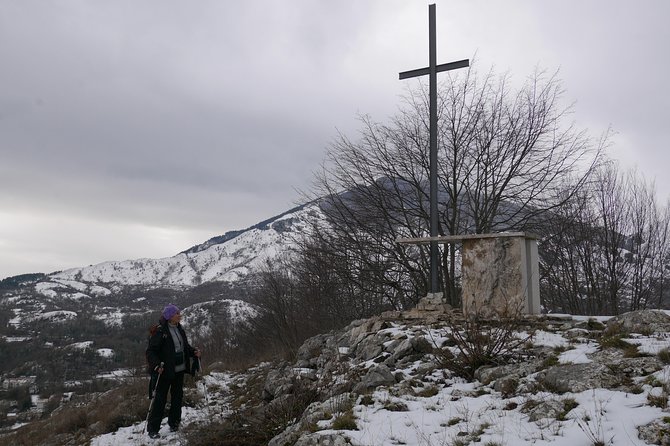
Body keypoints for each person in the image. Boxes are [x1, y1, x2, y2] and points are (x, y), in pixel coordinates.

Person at [145, 304, 201, 438]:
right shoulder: (160, 332)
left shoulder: (179, 328)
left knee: (177, 397)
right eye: (177, 313)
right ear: (170, 316)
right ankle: (153, 430)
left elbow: (184, 347)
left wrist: (194, 352)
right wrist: (157, 365)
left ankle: (174, 424)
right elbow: (151, 351)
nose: (179, 315)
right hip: (164, 372)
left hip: (179, 370)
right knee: (160, 400)